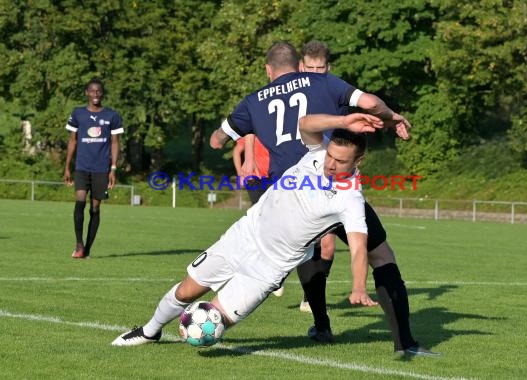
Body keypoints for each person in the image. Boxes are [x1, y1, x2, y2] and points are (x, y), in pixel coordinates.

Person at [210, 42, 437, 356]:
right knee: (380, 255)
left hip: (287, 191)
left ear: (268, 69)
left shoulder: (255, 100)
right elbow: (369, 101)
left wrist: (238, 139)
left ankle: (321, 324)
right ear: (302, 66)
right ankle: (405, 343)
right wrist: (391, 116)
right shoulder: (325, 83)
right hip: (329, 180)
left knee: (308, 250)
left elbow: (217, 139)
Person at [111, 113, 381, 346]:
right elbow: (306, 123)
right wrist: (345, 120)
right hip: (243, 236)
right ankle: (149, 331)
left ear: (358, 161)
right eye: (331, 156)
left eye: (341, 161)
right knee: (185, 292)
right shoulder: (318, 152)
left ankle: (196, 325)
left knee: (211, 324)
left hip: (269, 268)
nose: (331, 165)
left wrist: (359, 286)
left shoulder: (351, 199)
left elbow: (358, 249)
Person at [64, 78, 123, 259]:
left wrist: (113, 169)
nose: (95, 94)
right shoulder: (78, 113)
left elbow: (115, 143)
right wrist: (67, 167)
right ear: (86, 93)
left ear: (102, 93)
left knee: (95, 208)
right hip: (82, 167)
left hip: (101, 169)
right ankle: (79, 243)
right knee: (80, 201)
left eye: (98, 91)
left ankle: (87, 249)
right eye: (92, 91)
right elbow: (72, 141)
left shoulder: (112, 116)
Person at [297, 40, 336, 312]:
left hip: (330, 172)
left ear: (327, 68)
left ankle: (311, 297)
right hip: (296, 173)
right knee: (297, 239)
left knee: (328, 244)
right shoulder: (289, 91)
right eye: (309, 67)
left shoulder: (337, 91)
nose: (313, 72)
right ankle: (276, 277)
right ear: (301, 67)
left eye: (319, 68)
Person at [232, 136, 270, 205]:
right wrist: (239, 172)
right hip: (254, 177)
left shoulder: (274, 133)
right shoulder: (251, 135)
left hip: (272, 176)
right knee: (258, 206)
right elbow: (236, 151)